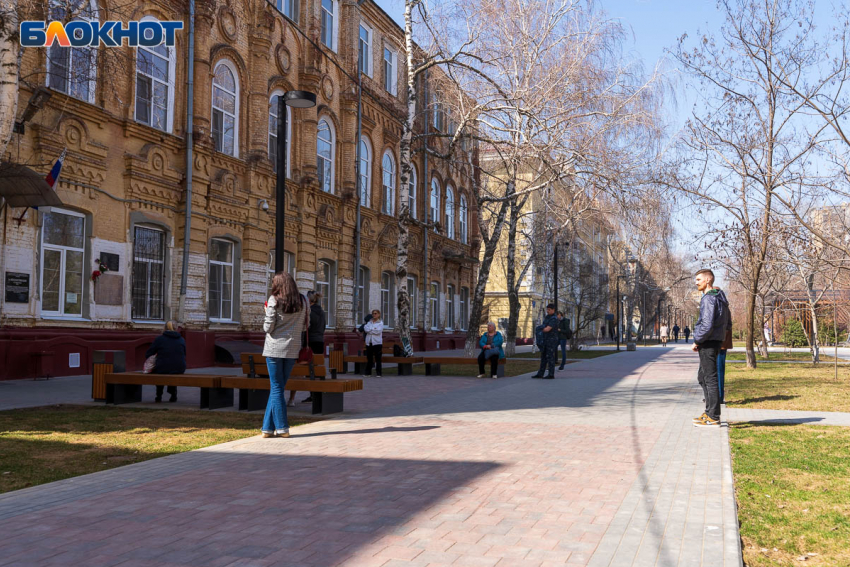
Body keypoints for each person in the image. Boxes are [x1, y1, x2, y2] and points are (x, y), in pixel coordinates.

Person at [262, 271, 308, 438]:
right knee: (279, 387)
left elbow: (268, 328)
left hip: (274, 348)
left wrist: (267, 310)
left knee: (276, 387)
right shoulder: (303, 300)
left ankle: (282, 427)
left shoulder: (274, 299)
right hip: (292, 348)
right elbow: (304, 327)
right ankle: (267, 428)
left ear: (278, 285)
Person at [692, 268, 732, 428]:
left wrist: (697, 340)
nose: (696, 283)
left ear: (708, 280)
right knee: (702, 377)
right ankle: (709, 412)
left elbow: (707, 324)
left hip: (708, 342)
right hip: (714, 341)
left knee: (710, 378)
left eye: (698, 280)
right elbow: (728, 324)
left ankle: (713, 416)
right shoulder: (720, 298)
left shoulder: (709, 298)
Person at [289, 290, 326, 407]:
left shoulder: (310, 312)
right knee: (316, 368)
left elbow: (307, 326)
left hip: (310, 342)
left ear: (308, 300)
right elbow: (323, 326)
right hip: (319, 341)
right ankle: (316, 394)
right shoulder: (321, 311)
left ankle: (310, 395)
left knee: (305, 368)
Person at [145, 320, 186, 403]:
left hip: (162, 368)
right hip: (179, 368)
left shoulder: (159, 339)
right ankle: (173, 395)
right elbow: (184, 354)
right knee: (172, 369)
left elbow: (148, 353)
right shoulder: (181, 339)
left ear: (164, 328)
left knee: (160, 369)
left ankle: (158, 396)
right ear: (176, 328)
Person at [533, 303, 560, 379]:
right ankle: (540, 373)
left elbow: (547, 329)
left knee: (550, 357)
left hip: (551, 340)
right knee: (543, 357)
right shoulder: (548, 317)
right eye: (547, 309)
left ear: (553, 310)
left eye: (549, 310)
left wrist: (540, 328)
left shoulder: (554, 318)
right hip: (545, 339)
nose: (547, 311)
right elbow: (544, 327)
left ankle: (551, 374)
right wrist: (542, 328)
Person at [363, 309, 383, 378]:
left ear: (379, 314)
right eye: (373, 314)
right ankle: (368, 373)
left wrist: (370, 330)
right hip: (369, 342)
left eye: (375, 313)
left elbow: (378, 331)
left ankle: (379, 373)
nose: (374, 315)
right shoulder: (369, 322)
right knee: (369, 358)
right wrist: (372, 330)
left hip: (377, 343)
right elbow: (365, 329)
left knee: (378, 358)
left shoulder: (380, 323)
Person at [718, 317, 733, 404]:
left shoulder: (721, 306)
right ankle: (715, 396)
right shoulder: (723, 305)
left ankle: (719, 397)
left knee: (719, 370)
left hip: (720, 343)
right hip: (719, 342)